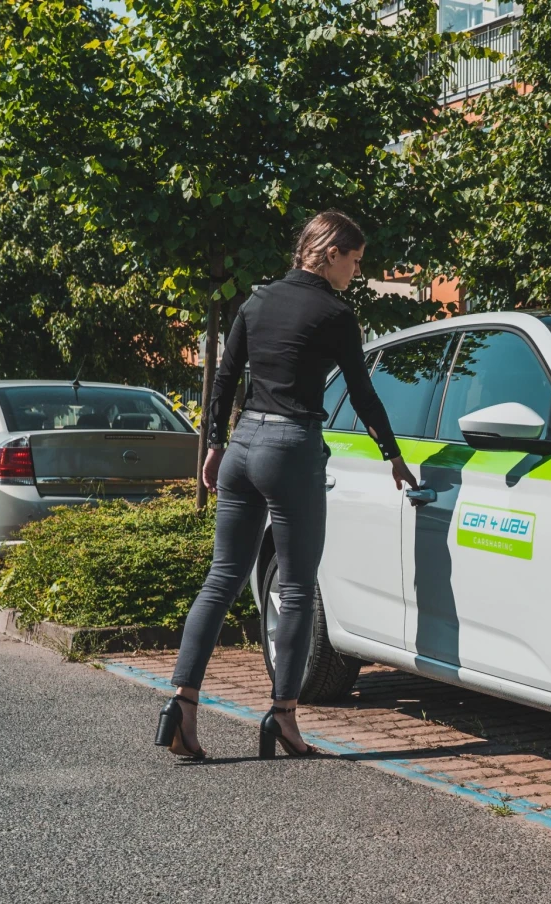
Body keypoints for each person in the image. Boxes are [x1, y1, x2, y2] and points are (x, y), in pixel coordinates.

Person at [154, 210, 417, 762]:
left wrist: (214, 446)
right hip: (292, 448)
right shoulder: (336, 313)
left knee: (221, 578)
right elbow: (363, 396)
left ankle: (181, 704)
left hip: (242, 446)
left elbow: (225, 378)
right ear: (329, 253)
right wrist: (392, 454)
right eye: (355, 260)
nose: (356, 271)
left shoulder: (256, 301)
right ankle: (283, 717)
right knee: (296, 588)